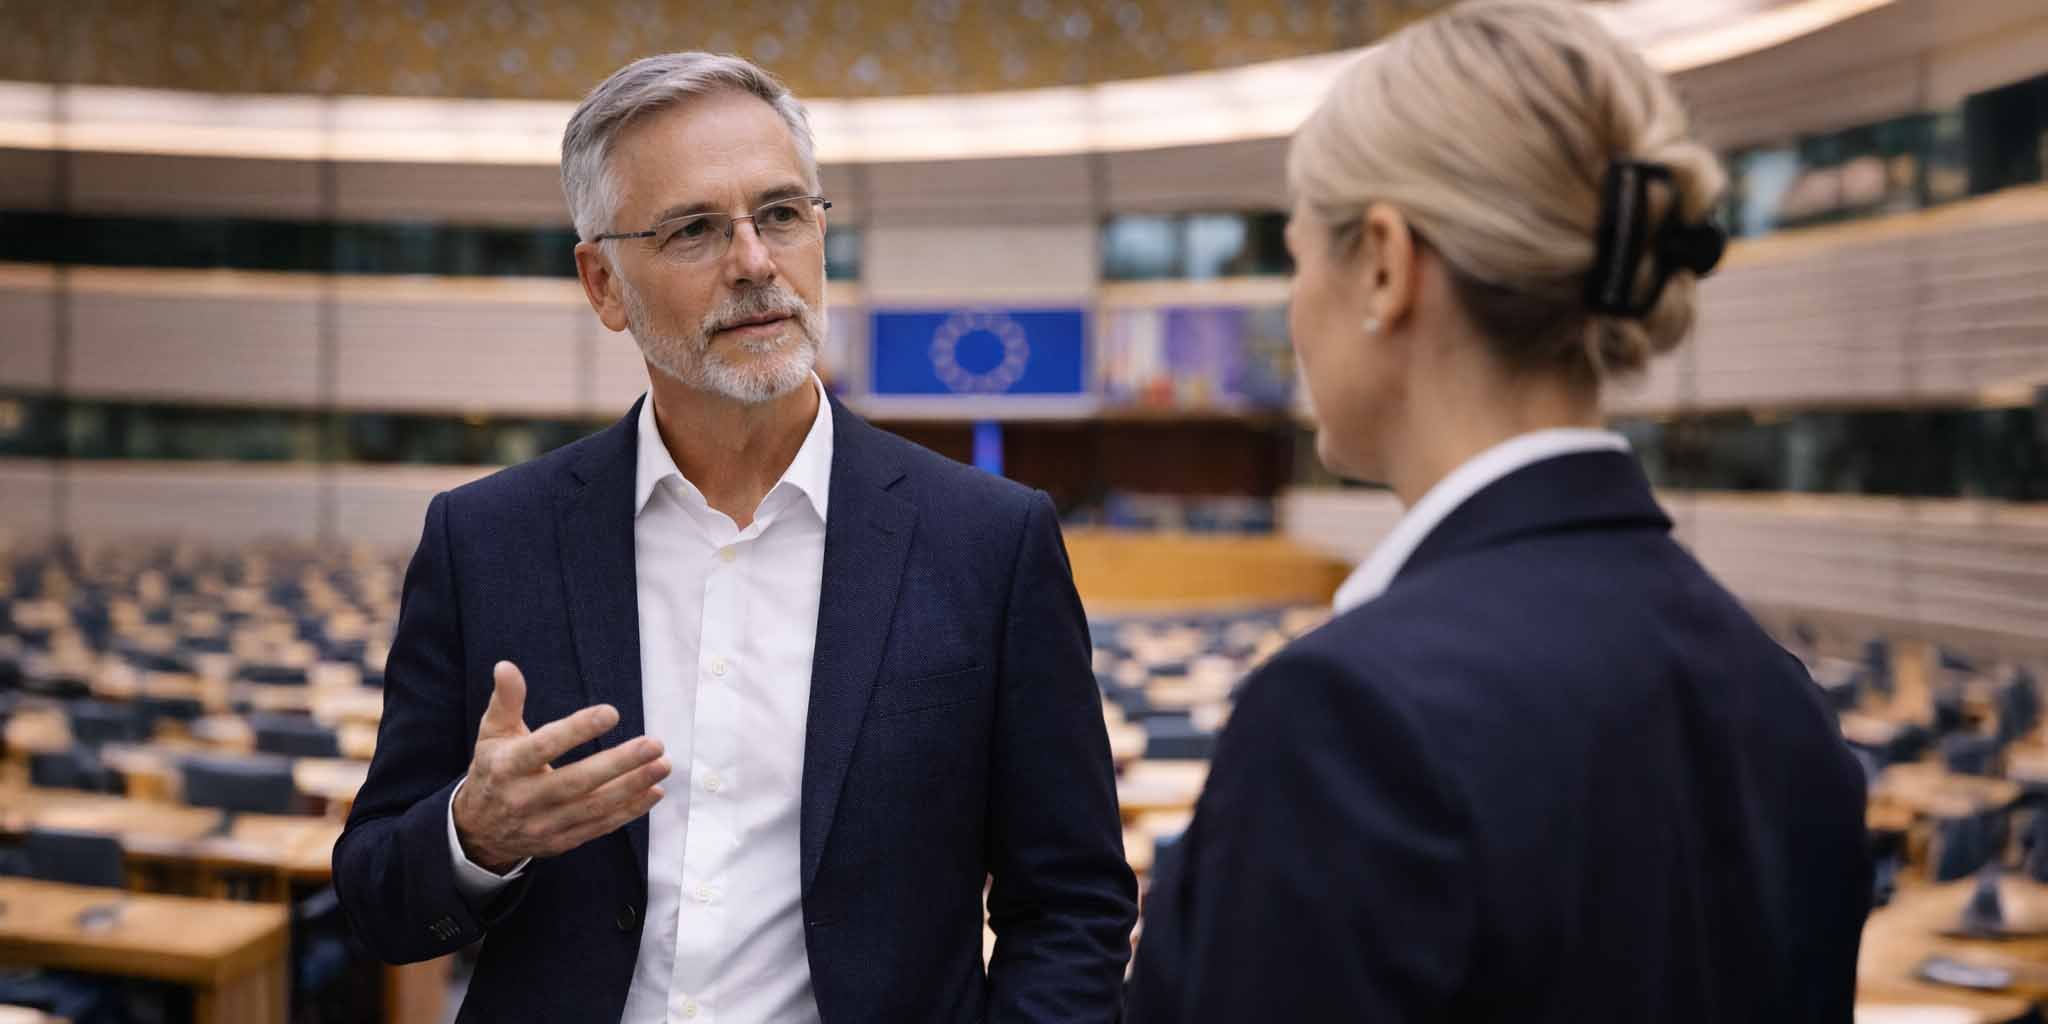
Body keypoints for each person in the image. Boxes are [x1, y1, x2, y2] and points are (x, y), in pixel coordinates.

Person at [333, 52, 1137, 1023]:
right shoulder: (484, 540)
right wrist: (475, 835)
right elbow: (375, 897)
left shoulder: (989, 543)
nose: (754, 261)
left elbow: (1071, 906)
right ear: (603, 284)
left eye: (782, 214)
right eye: (694, 229)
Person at [1126, 3, 1871, 1020]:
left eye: (1298, 256)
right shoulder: (1778, 702)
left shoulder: (1347, 723)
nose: (1291, 311)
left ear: (1382, 264)